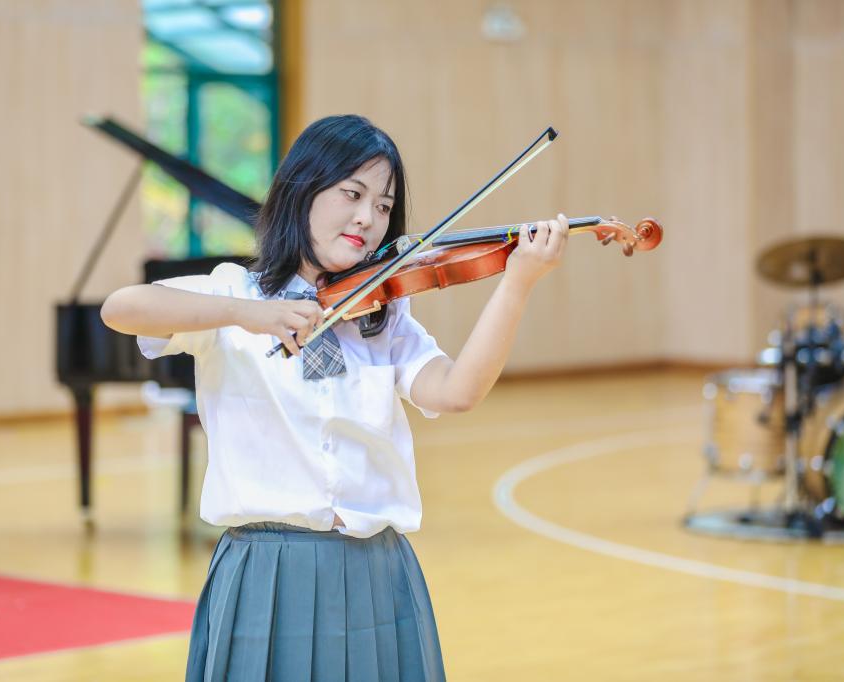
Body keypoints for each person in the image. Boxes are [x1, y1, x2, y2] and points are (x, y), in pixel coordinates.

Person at [101, 114, 568, 681]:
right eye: (352, 194)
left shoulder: (384, 315)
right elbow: (122, 308)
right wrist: (250, 315)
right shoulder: (235, 293)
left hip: (375, 571)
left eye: (383, 205)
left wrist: (517, 282)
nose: (368, 218)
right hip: (267, 571)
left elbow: (457, 391)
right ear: (302, 190)